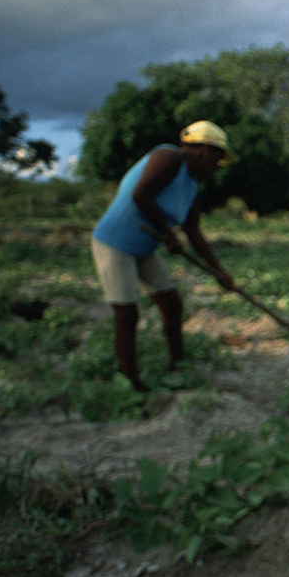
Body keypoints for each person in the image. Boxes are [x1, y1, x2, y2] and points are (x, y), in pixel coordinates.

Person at [90, 120, 238, 392]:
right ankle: (131, 381)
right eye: (217, 158)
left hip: (145, 247)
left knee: (171, 305)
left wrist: (219, 271)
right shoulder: (169, 157)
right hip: (115, 244)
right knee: (127, 314)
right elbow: (141, 195)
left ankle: (178, 364)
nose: (217, 166)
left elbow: (193, 230)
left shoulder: (191, 185)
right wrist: (169, 236)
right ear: (204, 150)